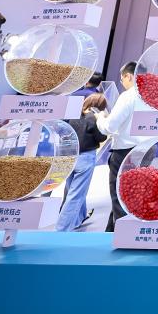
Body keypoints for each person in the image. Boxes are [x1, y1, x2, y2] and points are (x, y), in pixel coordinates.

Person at [94, 62, 147, 231]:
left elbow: (110, 127)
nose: (122, 83)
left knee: (120, 194)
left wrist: (100, 119)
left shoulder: (128, 96)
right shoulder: (151, 96)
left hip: (126, 151)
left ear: (128, 76)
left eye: (122, 79)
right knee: (135, 193)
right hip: (147, 149)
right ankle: (111, 231)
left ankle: (122, 234)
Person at [56, 93, 107, 231]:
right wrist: (101, 119)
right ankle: (61, 229)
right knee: (76, 195)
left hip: (69, 156)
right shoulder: (93, 117)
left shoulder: (73, 114)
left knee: (71, 190)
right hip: (85, 158)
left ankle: (79, 218)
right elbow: (101, 137)